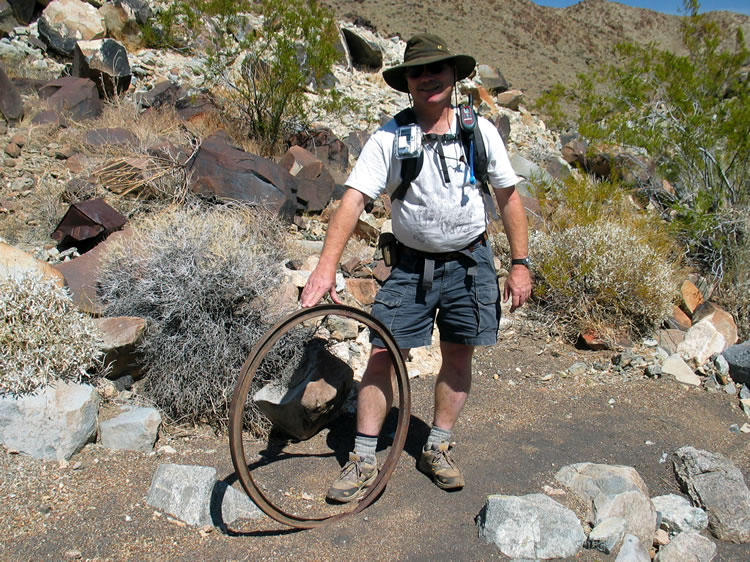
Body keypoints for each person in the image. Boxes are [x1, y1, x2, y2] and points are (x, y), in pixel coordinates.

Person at [301, 34, 532, 502]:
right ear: (407, 82)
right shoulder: (390, 137)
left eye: (437, 69)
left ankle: (439, 446)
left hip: (470, 263)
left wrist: (521, 264)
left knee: (458, 354)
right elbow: (353, 201)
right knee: (384, 355)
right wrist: (324, 269)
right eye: (417, 72)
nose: (428, 78)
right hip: (409, 268)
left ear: (454, 75)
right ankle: (364, 457)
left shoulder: (479, 132)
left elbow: (508, 198)